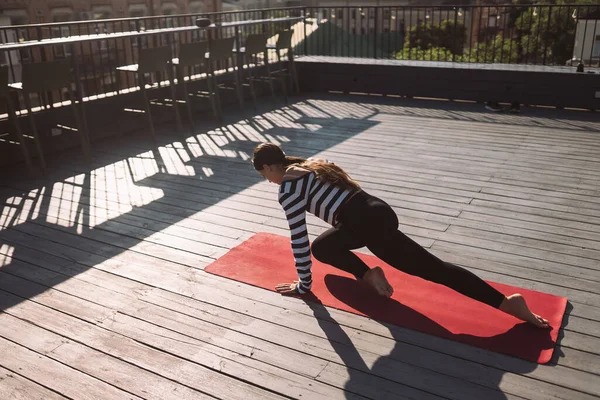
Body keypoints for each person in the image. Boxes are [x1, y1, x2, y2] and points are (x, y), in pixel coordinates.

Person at [252, 142, 549, 328]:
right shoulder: (308, 166)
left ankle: (507, 303)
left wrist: (304, 285)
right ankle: (370, 275)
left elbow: (298, 238)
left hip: (363, 222)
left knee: (431, 270)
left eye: (264, 175)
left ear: (268, 167)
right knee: (325, 246)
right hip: (375, 210)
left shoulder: (288, 189)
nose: (267, 180)